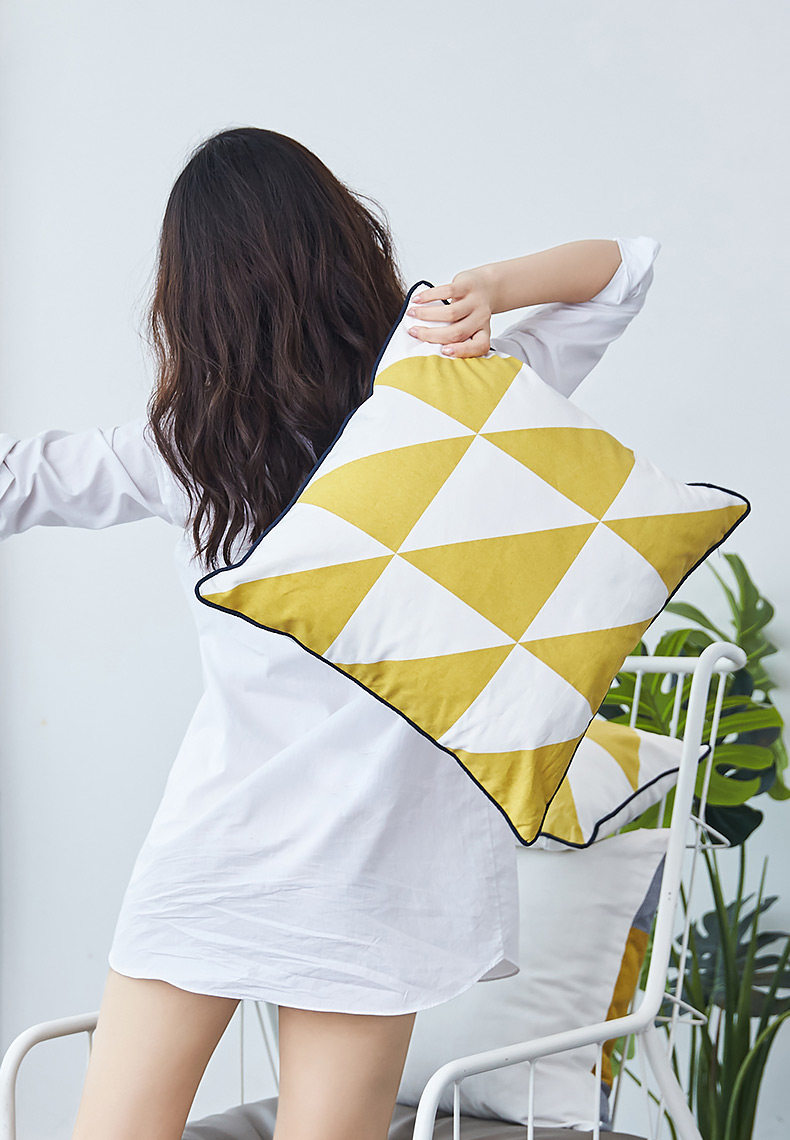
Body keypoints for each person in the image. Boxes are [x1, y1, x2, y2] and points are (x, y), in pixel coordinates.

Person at [0, 126, 661, 1140]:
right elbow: (619, 273)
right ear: (344, 243)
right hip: (375, 872)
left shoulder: (203, 449)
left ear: (194, 302)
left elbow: (23, 480)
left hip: (230, 852)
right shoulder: (452, 390)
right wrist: (494, 286)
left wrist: (480, 293)